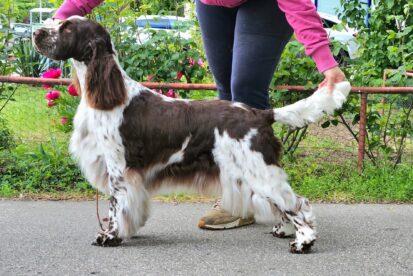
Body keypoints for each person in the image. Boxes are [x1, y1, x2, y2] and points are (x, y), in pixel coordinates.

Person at [52, 0, 346, 230]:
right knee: (225, 97)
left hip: (265, 4)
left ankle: (256, 197)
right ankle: (242, 195)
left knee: (243, 89)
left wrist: (325, 61)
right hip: (214, 4)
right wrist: (63, 17)